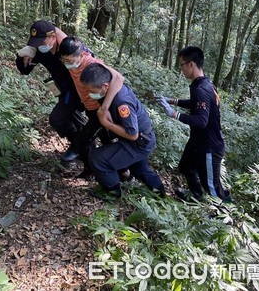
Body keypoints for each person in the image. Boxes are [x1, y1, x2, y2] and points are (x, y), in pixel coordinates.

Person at [79, 62, 166, 200]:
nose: (90, 95)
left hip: (138, 142)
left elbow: (132, 134)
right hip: (142, 139)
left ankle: (113, 192)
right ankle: (161, 194)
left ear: (105, 86)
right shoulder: (111, 90)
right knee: (139, 168)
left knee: (97, 158)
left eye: (92, 92)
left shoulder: (121, 102)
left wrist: (106, 123)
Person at [157, 46, 231, 202]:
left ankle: (222, 214)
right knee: (185, 167)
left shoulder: (201, 89)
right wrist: (172, 101)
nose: (181, 69)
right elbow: (196, 104)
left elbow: (201, 121)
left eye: (182, 65)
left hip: (209, 146)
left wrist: (173, 113)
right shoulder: (204, 84)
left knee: (211, 186)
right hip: (198, 142)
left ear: (191, 64)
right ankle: (196, 196)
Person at [16, 20, 86, 162]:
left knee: (61, 118)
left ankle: (83, 147)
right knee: (67, 120)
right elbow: (25, 70)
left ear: (53, 37)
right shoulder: (40, 50)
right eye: (37, 42)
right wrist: (22, 55)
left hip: (80, 88)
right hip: (64, 90)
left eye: (42, 40)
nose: (40, 44)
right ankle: (82, 149)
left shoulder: (68, 47)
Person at [58, 36, 125, 177]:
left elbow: (119, 78)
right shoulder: (72, 59)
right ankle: (123, 173)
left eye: (69, 61)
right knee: (107, 140)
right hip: (89, 108)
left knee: (83, 140)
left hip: (99, 110)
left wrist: (104, 108)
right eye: (63, 60)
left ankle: (110, 173)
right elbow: (54, 33)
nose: (66, 64)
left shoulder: (92, 64)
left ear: (82, 55)